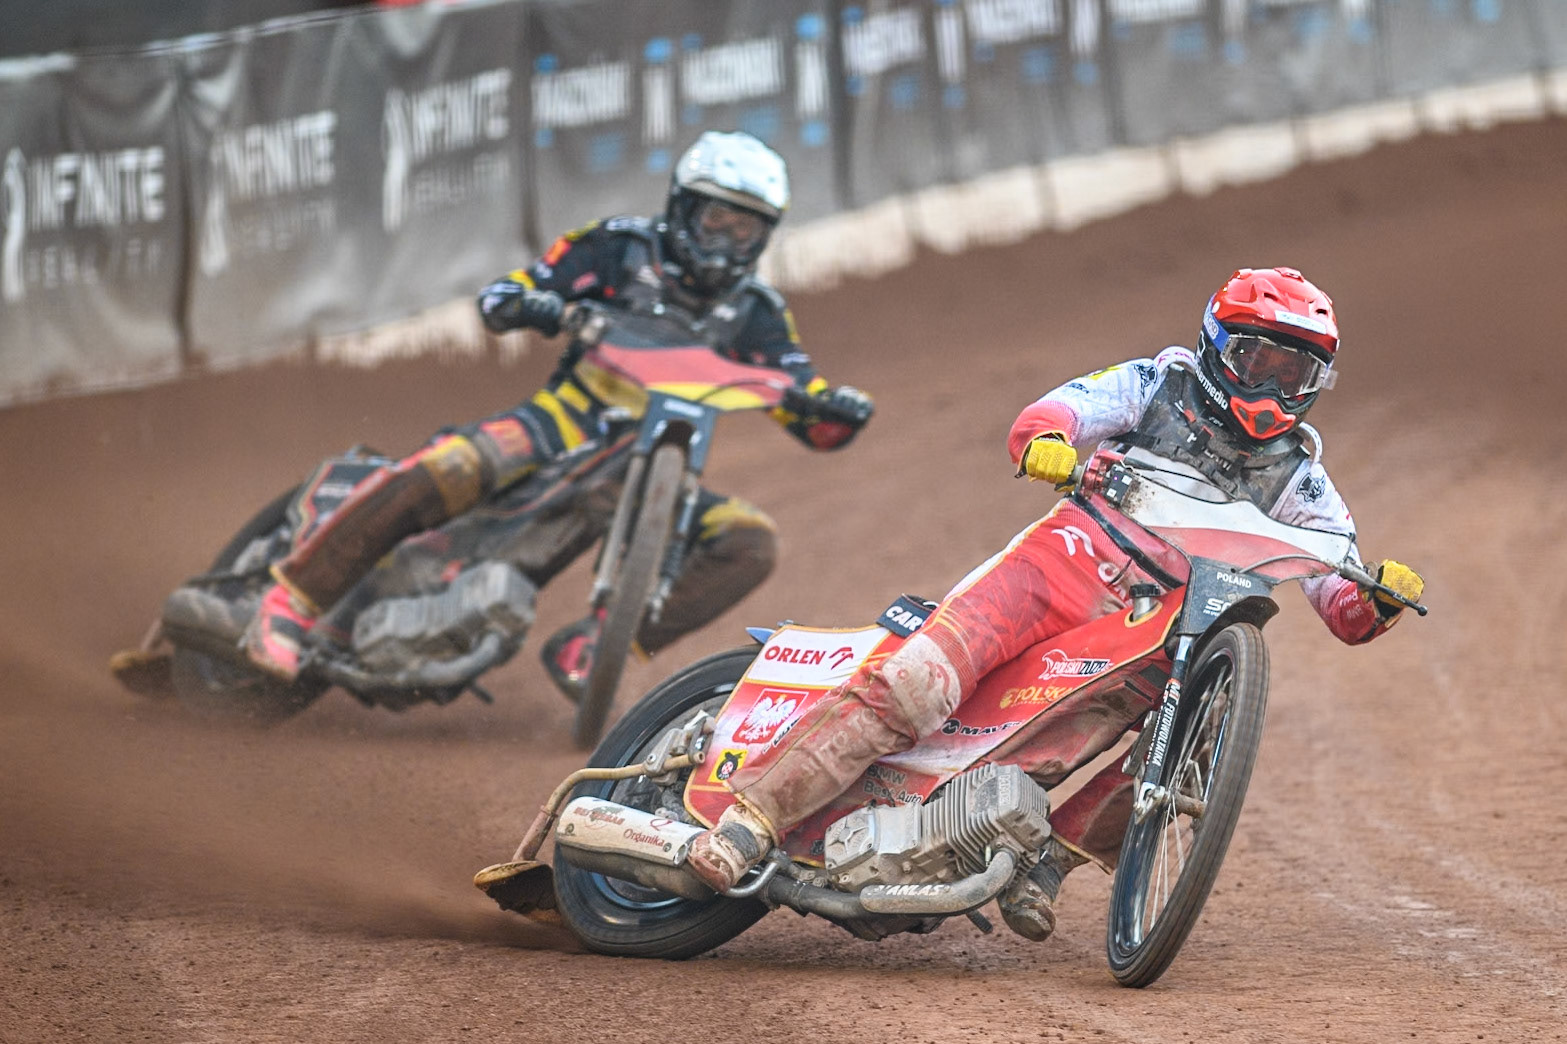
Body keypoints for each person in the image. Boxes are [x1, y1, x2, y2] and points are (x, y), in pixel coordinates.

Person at [684, 266, 1425, 942]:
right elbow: (1055, 412)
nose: (1266, 387)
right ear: (1215, 343)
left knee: (1165, 740)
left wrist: (1378, 597)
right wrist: (1047, 441)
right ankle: (754, 816)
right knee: (922, 681)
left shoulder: (1304, 480)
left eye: (1289, 371)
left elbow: (1341, 600)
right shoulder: (1153, 383)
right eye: (1254, 360)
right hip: (1060, 564)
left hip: (1152, 626)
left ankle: (1045, 867)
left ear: (1315, 382)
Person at [241, 131, 874, 693]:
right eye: (717, 218)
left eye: (748, 228)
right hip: (561, 421)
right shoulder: (615, 248)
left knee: (751, 543)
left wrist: (835, 408)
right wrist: (535, 305)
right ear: (683, 207)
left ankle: (603, 644)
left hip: (658, 464)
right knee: (456, 463)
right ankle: (290, 602)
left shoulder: (758, 311)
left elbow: (805, 407)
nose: (729, 240)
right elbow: (506, 295)